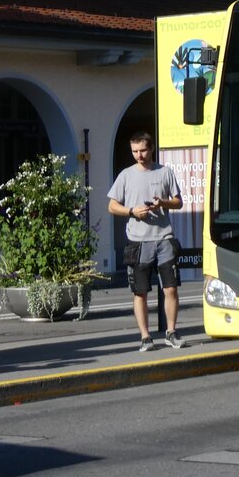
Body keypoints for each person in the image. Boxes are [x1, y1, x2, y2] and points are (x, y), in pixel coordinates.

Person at [107, 132, 184, 352]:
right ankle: (145, 337)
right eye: (134, 151)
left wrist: (164, 203)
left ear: (151, 149)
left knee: (170, 289)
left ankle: (171, 331)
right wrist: (132, 211)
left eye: (142, 150)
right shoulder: (126, 175)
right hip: (138, 241)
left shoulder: (165, 172)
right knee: (140, 292)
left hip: (164, 239)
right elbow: (112, 206)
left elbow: (178, 202)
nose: (139, 155)